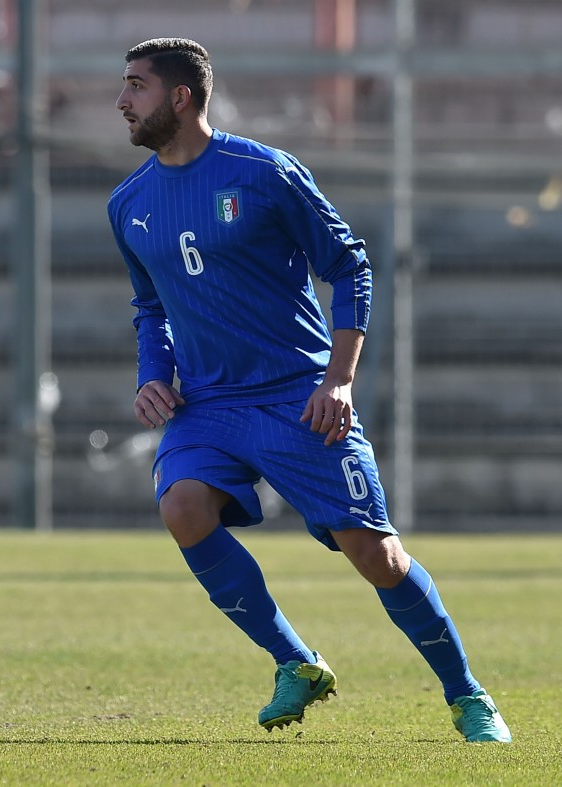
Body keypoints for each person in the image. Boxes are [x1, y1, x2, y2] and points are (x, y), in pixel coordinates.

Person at [107, 37, 511, 742]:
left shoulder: (264, 173)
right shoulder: (129, 203)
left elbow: (350, 266)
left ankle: (467, 694)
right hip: (208, 405)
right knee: (183, 506)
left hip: (299, 393)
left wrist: (340, 380)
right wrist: (154, 375)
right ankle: (296, 661)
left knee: (375, 555)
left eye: (136, 86)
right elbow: (150, 307)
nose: (122, 101)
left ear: (180, 97)